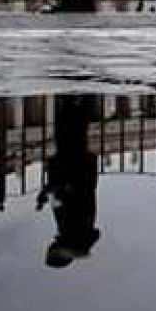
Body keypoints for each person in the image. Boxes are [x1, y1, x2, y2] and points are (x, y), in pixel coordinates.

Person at [39, 95, 100, 268]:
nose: (50, 245)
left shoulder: (72, 233)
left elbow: (61, 203)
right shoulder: (76, 232)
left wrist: (47, 194)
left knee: (70, 131)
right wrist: (54, 189)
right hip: (73, 168)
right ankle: (74, 99)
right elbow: (78, 197)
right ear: (59, 253)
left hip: (72, 169)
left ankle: (75, 100)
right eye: (51, 250)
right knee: (70, 131)